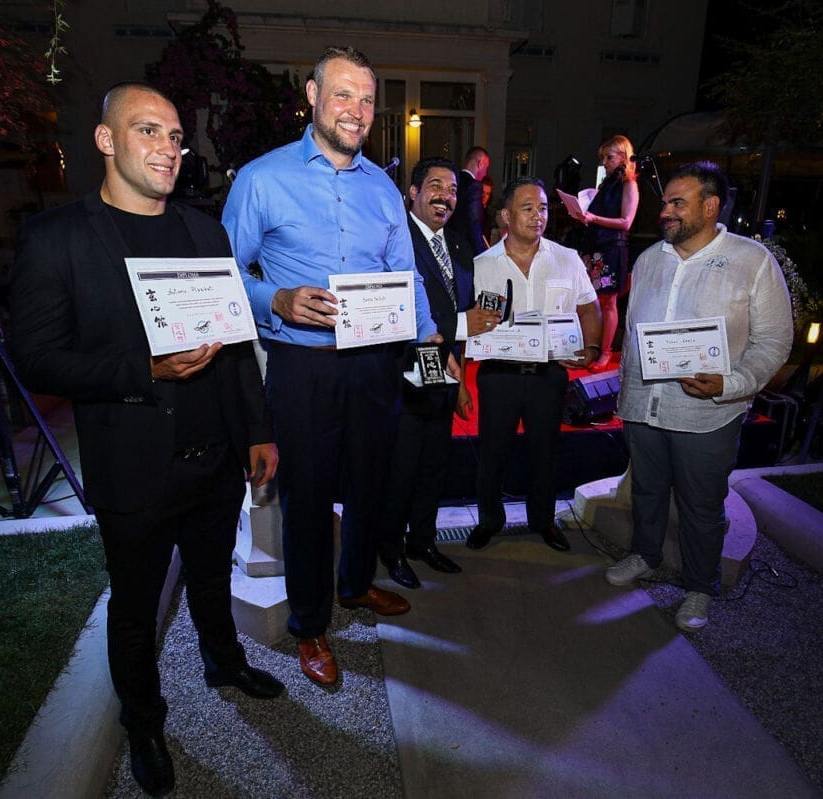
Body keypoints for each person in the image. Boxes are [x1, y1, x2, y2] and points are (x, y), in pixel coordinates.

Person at [8, 82, 283, 797]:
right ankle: (144, 722)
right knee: (134, 607)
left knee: (212, 574)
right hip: (133, 463)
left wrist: (257, 430)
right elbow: (35, 357)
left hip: (216, 455)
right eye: (148, 131)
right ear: (106, 140)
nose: (168, 148)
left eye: (176, 136)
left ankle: (223, 661)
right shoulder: (57, 238)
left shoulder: (205, 232)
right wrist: (145, 369)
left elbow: (235, 342)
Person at [222, 46, 448, 687]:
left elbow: (406, 276)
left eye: (367, 99)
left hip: (376, 364)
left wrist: (429, 338)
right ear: (313, 97)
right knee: (309, 500)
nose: (356, 110)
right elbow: (224, 274)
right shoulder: (262, 179)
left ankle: (355, 585)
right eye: (343, 94)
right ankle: (310, 623)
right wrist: (276, 299)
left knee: (373, 483)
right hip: (305, 369)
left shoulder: (382, 187)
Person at [605, 161, 793, 632]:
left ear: (710, 207)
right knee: (646, 490)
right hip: (644, 408)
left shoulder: (751, 261)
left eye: (677, 203)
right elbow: (632, 334)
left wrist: (731, 384)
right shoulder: (649, 260)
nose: (664, 211)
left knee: (702, 505)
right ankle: (645, 554)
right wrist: (625, 397)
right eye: (665, 202)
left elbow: (774, 340)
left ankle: (699, 587)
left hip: (707, 413)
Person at [379, 157, 502, 590]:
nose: (445, 197)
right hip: (405, 370)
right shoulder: (397, 242)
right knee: (402, 468)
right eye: (435, 186)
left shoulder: (459, 245)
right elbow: (403, 310)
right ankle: (391, 549)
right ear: (412, 192)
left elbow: (465, 311)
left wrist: (462, 381)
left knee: (434, 464)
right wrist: (464, 324)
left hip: (445, 372)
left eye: (452, 190)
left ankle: (423, 542)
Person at [466, 177, 603, 552]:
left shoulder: (566, 258)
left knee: (545, 453)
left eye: (542, 208)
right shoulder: (481, 265)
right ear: (505, 216)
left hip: (548, 375)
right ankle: (489, 520)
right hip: (499, 376)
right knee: (492, 454)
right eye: (527, 208)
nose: (537, 215)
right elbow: (468, 320)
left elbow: (589, 306)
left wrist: (592, 347)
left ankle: (543, 521)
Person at [578, 135, 639, 364]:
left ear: (623, 156)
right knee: (589, 299)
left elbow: (626, 222)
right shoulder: (607, 185)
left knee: (608, 302)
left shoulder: (629, 184)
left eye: (609, 157)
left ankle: (606, 351)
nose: (604, 162)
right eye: (603, 158)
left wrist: (594, 218)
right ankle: (591, 345)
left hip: (612, 248)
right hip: (594, 246)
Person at [446, 146, 491, 254]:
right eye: (486, 168)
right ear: (480, 163)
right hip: (465, 249)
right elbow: (474, 223)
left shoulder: (453, 181)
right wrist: (482, 253)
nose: (485, 173)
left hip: (448, 243)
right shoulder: (474, 186)